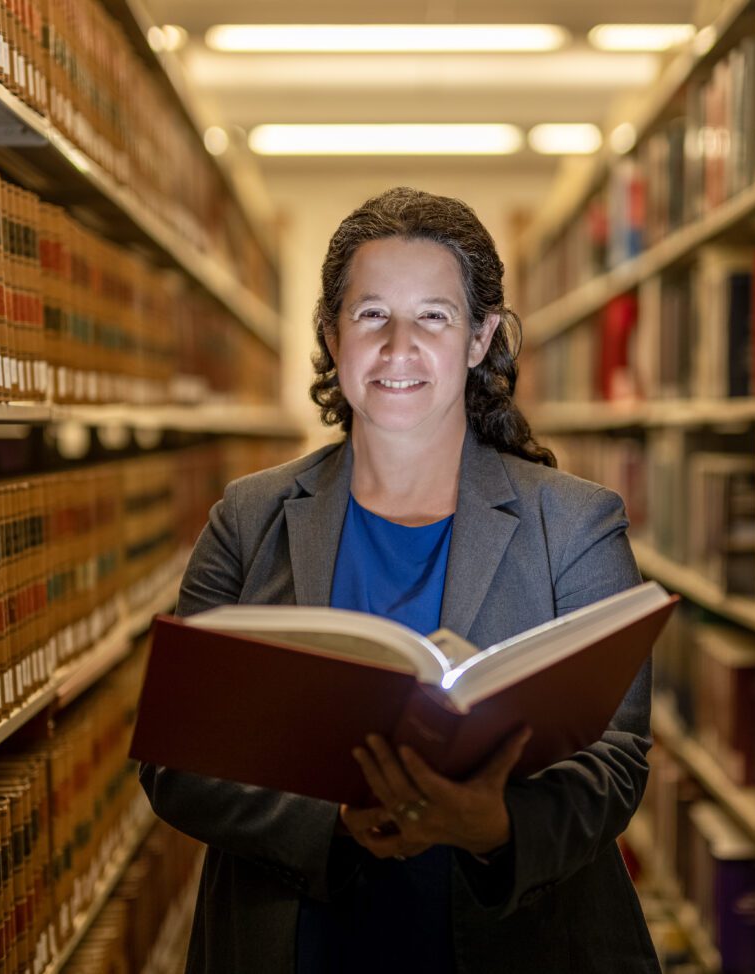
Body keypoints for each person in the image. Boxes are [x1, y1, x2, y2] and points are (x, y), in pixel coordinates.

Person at [139, 186, 658, 972]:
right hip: (296, 941)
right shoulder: (248, 519)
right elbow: (175, 759)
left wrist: (494, 826)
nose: (399, 347)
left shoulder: (576, 524)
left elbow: (616, 759)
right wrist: (335, 824)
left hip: (521, 944)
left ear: (480, 337)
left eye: (435, 318)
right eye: (372, 314)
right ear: (331, 334)